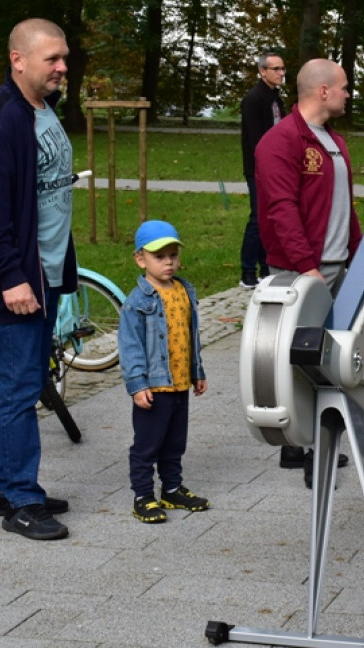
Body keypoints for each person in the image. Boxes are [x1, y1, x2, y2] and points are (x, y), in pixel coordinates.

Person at [0, 18, 76, 541]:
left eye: (64, 58)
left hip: (44, 273)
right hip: (17, 279)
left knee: (26, 380)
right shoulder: (5, 118)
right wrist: (11, 277)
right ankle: (21, 502)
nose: (61, 67)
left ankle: (1, 485)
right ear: (18, 59)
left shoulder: (42, 108)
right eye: (51, 58)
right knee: (17, 388)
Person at [256, 58, 361, 478]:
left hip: (336, 264)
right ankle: (297, 446)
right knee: (296, 356)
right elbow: (281, 210)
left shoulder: (332, 140)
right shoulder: (281, 141)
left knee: (322, 357)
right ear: (323, 91)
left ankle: (315, 439)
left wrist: (358, 251)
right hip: (303, 270)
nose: (348, 93)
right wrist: (306, 267)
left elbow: (344, 206)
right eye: (344, 87)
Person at [119, 220, 210, 523]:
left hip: (180, 383)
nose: (169, 262)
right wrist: (137, 384)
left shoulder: (184, 290)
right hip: (153, 387)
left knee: (175, 442)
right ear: (140, 258)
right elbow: (130, 346)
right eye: (160, 256)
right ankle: (143, 496)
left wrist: (197, 371)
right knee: (148, 444)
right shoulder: (138, 302)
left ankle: (171, 488)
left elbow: (190, 334)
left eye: (173, 255)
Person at [239, 51, 287, 289]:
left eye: (282, 69)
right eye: (276, 69)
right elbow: (257, 139)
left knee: (270, 218)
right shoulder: (254, 99)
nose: (281, 73)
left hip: (276, 167)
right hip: (258, 168)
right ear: (262, 71)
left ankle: (265, 267)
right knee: (258, 217)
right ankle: (247, 271)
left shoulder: (276, 99)